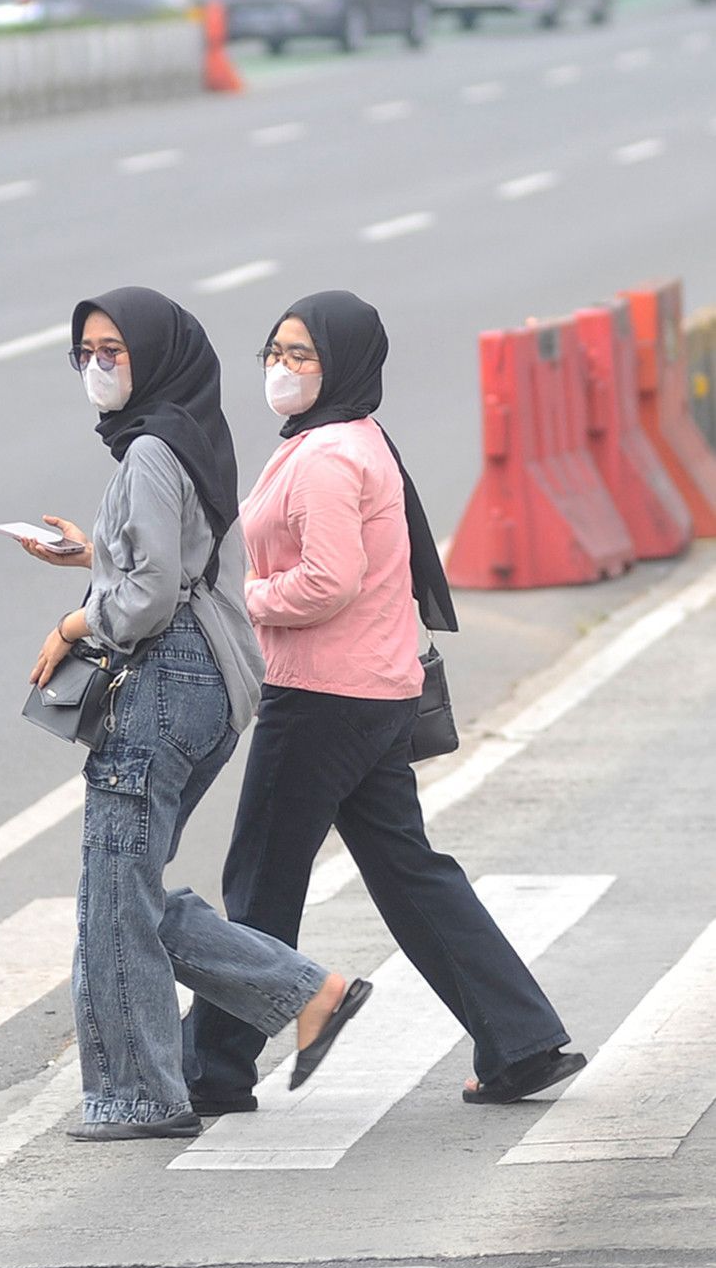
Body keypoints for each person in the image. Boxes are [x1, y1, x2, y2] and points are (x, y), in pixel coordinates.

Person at [185, 290, 586, 1115]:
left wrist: (243, 597)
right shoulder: (347, 438)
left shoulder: (330, 454)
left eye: (303, 356)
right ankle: (522, 1042)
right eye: (275, 353)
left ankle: (213, 1072)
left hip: (325, 698)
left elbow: (328, 582)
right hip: (371, 693)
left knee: (261, 882)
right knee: (410, 875)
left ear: (343, 365)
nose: (283, 369)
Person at [20, 286, 372, 1140]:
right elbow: (174, 561)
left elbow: (144, 601)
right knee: (123, 889)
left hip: (165, 686)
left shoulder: (147, 450)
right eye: (86, 353)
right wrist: (92, 554)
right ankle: (304, 993)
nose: (98, 368)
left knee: (113, 895)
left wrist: (78, 619)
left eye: (115, 351)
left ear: (155, 355)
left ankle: (143, 1095)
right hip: (214, 686)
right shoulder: (189, 434)